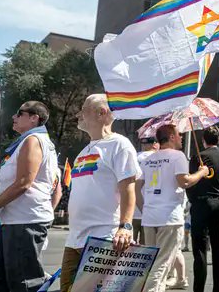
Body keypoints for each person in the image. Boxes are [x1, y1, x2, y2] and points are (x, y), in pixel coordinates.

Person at [60, 94, 139, 292]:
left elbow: (128, 187)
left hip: (103, 237)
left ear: (101, 112)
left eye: (84, 109)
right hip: (74, 239)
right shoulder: (84, 151)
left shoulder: (119, 145)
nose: (79, 114)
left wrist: (125, 226)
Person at [0, 101, 59, 292]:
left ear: (34, 118)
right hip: (16, 220)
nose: (13, 117)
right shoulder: (32, 140)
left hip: (25, 221)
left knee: (23, 282)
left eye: (19, 113)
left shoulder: (33, 141)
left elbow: (24, 182)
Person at [137, 124, 209, 292]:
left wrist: (144, 209)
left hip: (150, 217)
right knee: (162, 263)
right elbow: (184, 182)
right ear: (171, 137)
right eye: (179, 135)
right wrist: (202, 173)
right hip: (169, 217)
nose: (181, 138)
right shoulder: (177, 156)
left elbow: (136, 188)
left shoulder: (148, 159)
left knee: (155, 261)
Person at [186, 125, 219, 292]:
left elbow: (189, 184)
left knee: (199, 249)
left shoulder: (198, 157)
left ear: (203, 140)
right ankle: (217, 289)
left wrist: (192, 201)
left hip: (201, 204)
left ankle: (199, 289)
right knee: (217, 248)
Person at [133, 136, 159, 243]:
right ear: (154, 144)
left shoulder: (134, 157)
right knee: (146, 248)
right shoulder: (157, 158)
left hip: (132, 210)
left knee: (128, 249)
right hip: (149, 209)